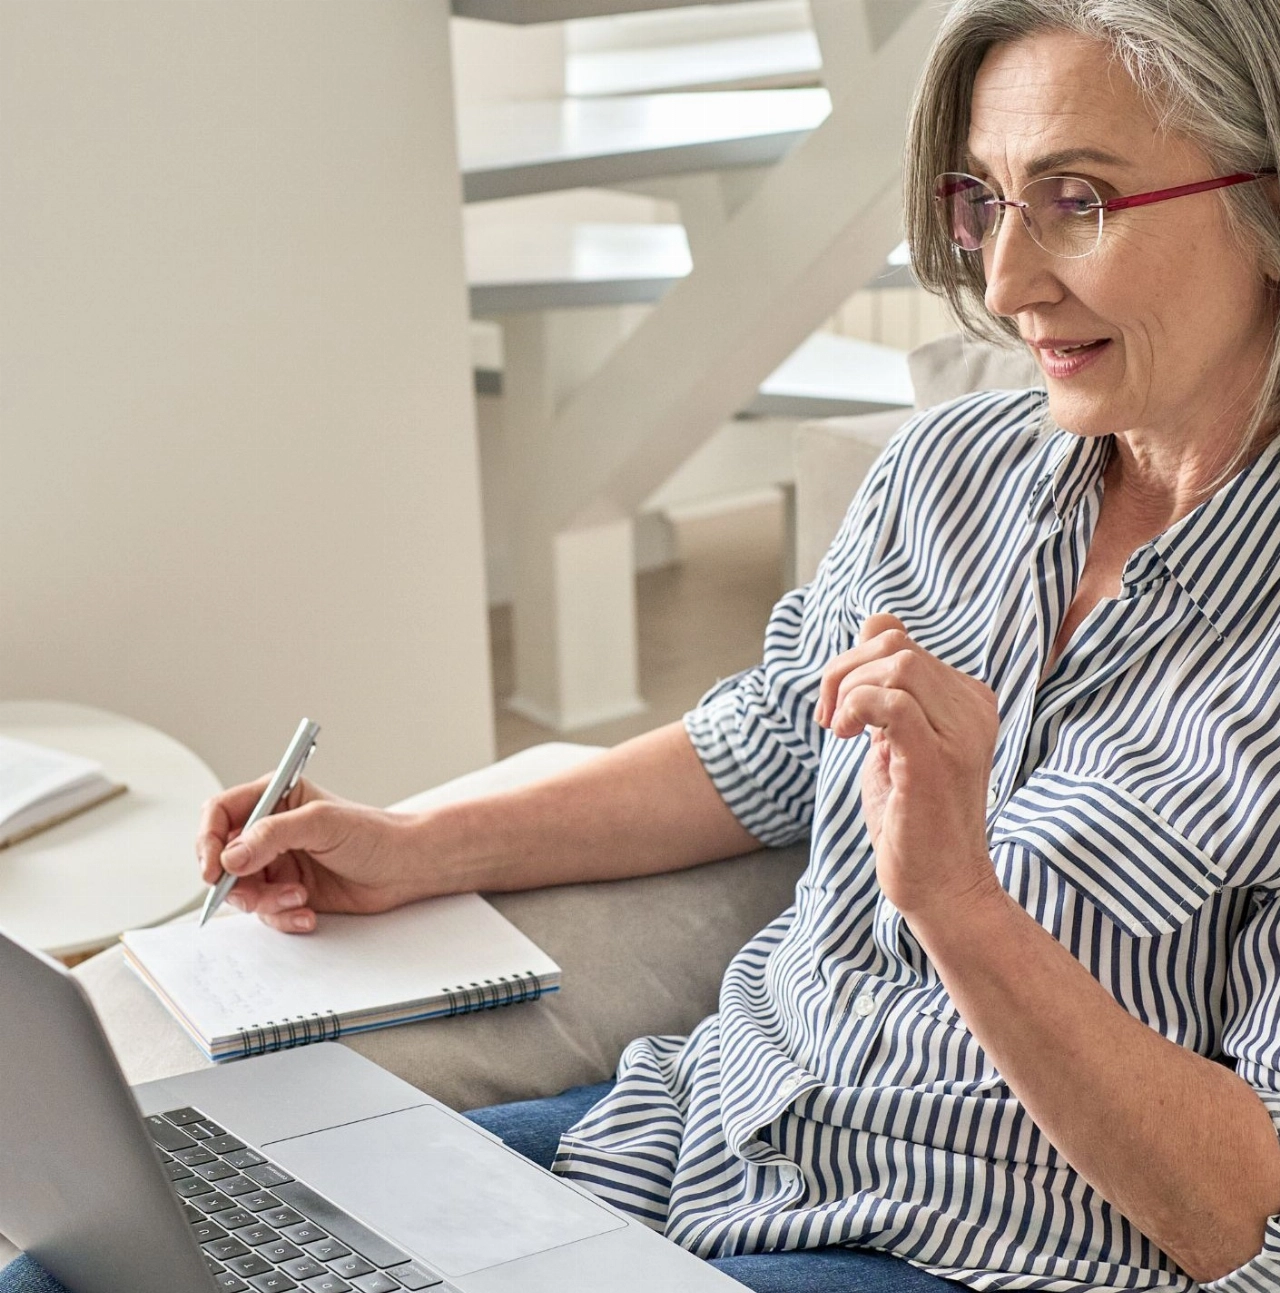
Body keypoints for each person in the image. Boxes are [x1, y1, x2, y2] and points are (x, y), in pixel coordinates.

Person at [8, 0, 1280, 1289]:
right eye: (986, 200)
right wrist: (408, 851)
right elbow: (759, 752)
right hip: (683, 1142)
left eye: (1079, 201)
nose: (1007, 284)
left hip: (964, 1251)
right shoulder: (952, 474)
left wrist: (960, 906)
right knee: (98, 1267)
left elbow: (1246, 1222)